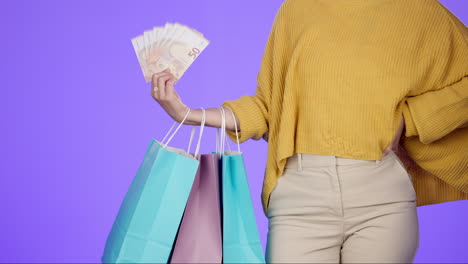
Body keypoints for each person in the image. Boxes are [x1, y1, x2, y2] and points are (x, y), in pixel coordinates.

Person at [150, 0, 468, 262]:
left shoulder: (419, 12)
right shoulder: (298, 10)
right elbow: (269, 107)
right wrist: (188, 114)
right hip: (300, 201)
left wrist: (414, 119)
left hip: (381, 199)